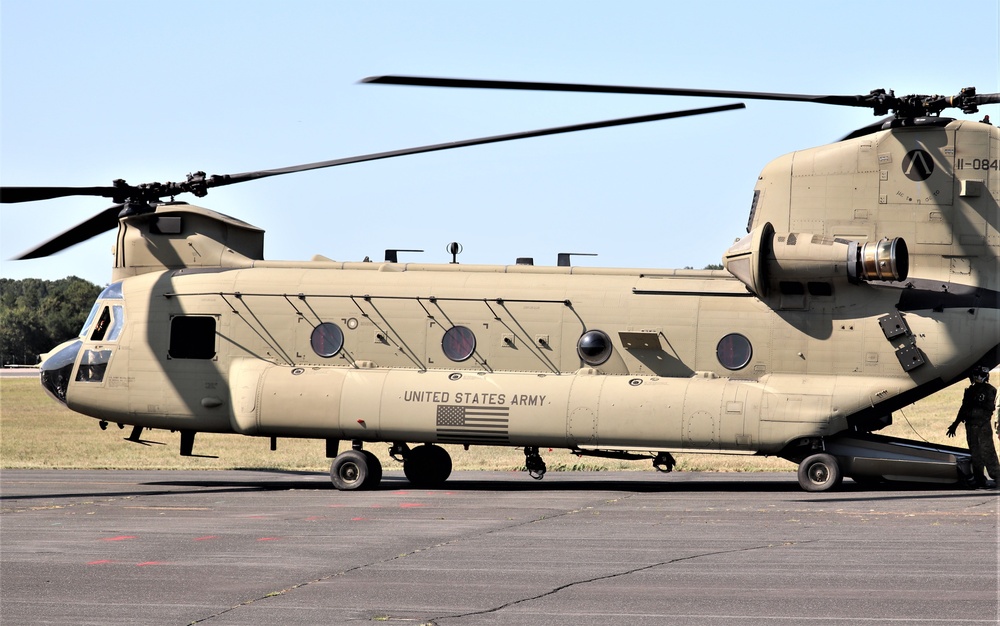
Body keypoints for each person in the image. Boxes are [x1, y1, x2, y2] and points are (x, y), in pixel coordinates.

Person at [947, 367, 1000, 489]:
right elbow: (964, 408)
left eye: (980, 375)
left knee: (987, 452)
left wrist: (981, 421)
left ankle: (997, 477)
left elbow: (990, 409)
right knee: (975, 454)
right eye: (976, 374)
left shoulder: (990, 390)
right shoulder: (970, 391)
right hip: (971, 426)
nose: (978, 377)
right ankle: (979, 479)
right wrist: (955, 424)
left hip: (982, 426)